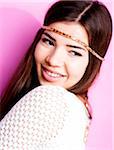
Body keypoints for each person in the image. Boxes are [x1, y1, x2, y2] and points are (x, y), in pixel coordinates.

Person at [0, 0, 112, 149]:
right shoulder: (79, 109)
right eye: (49, 42)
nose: (53, 60)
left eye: (74, 52)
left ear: (92, 62)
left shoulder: (51, 99)